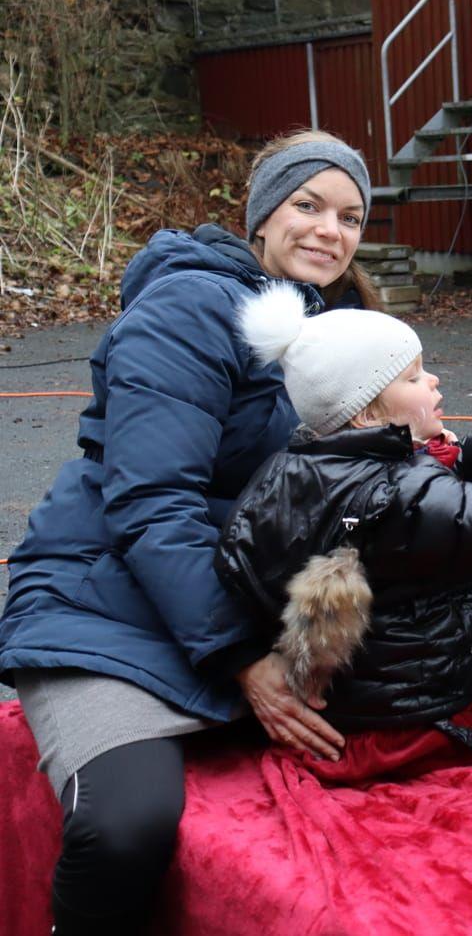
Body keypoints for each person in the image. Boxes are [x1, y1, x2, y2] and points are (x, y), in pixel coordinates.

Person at [0, 130, 375, 934]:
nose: (328, 230)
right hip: (99, 598)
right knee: (126, 826)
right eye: (307, 205)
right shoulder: (194, 306)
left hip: (219, 596)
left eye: (349, 217)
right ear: (262, 217)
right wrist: (243, 658)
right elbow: (151, 503)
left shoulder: (323, 322)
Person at [215, 285, 472, 773]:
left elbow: (433, 483)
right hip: (402, 720)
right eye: (413, 377)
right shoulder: (398, 490)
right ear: (367, 412)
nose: (432, 381)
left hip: (348, 699)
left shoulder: (295, 468)